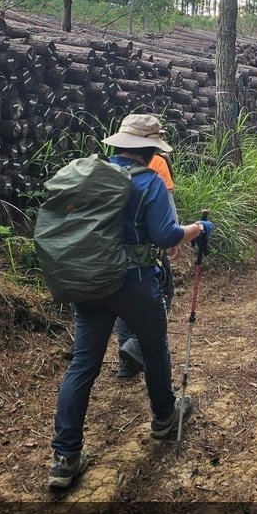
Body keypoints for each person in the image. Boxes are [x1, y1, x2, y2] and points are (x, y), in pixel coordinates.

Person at [48, 113, 213, 490]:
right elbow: (167, 235)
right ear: (151, 149)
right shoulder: (150, 182)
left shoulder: (90, 176)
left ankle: (64, 457)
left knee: (83, 365)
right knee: (155, 351)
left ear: (118, 145)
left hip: (88, 280)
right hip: (134, 284)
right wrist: (200, 228)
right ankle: (164, 418)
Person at [116, 144, 178, 379]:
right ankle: (137, 348)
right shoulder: (159, 164)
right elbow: (167, 201)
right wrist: (175, 237)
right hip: (143, 251)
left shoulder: (104, 169)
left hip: (104, 257)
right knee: (166, 291)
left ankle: (127, 365)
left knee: (122, 308)